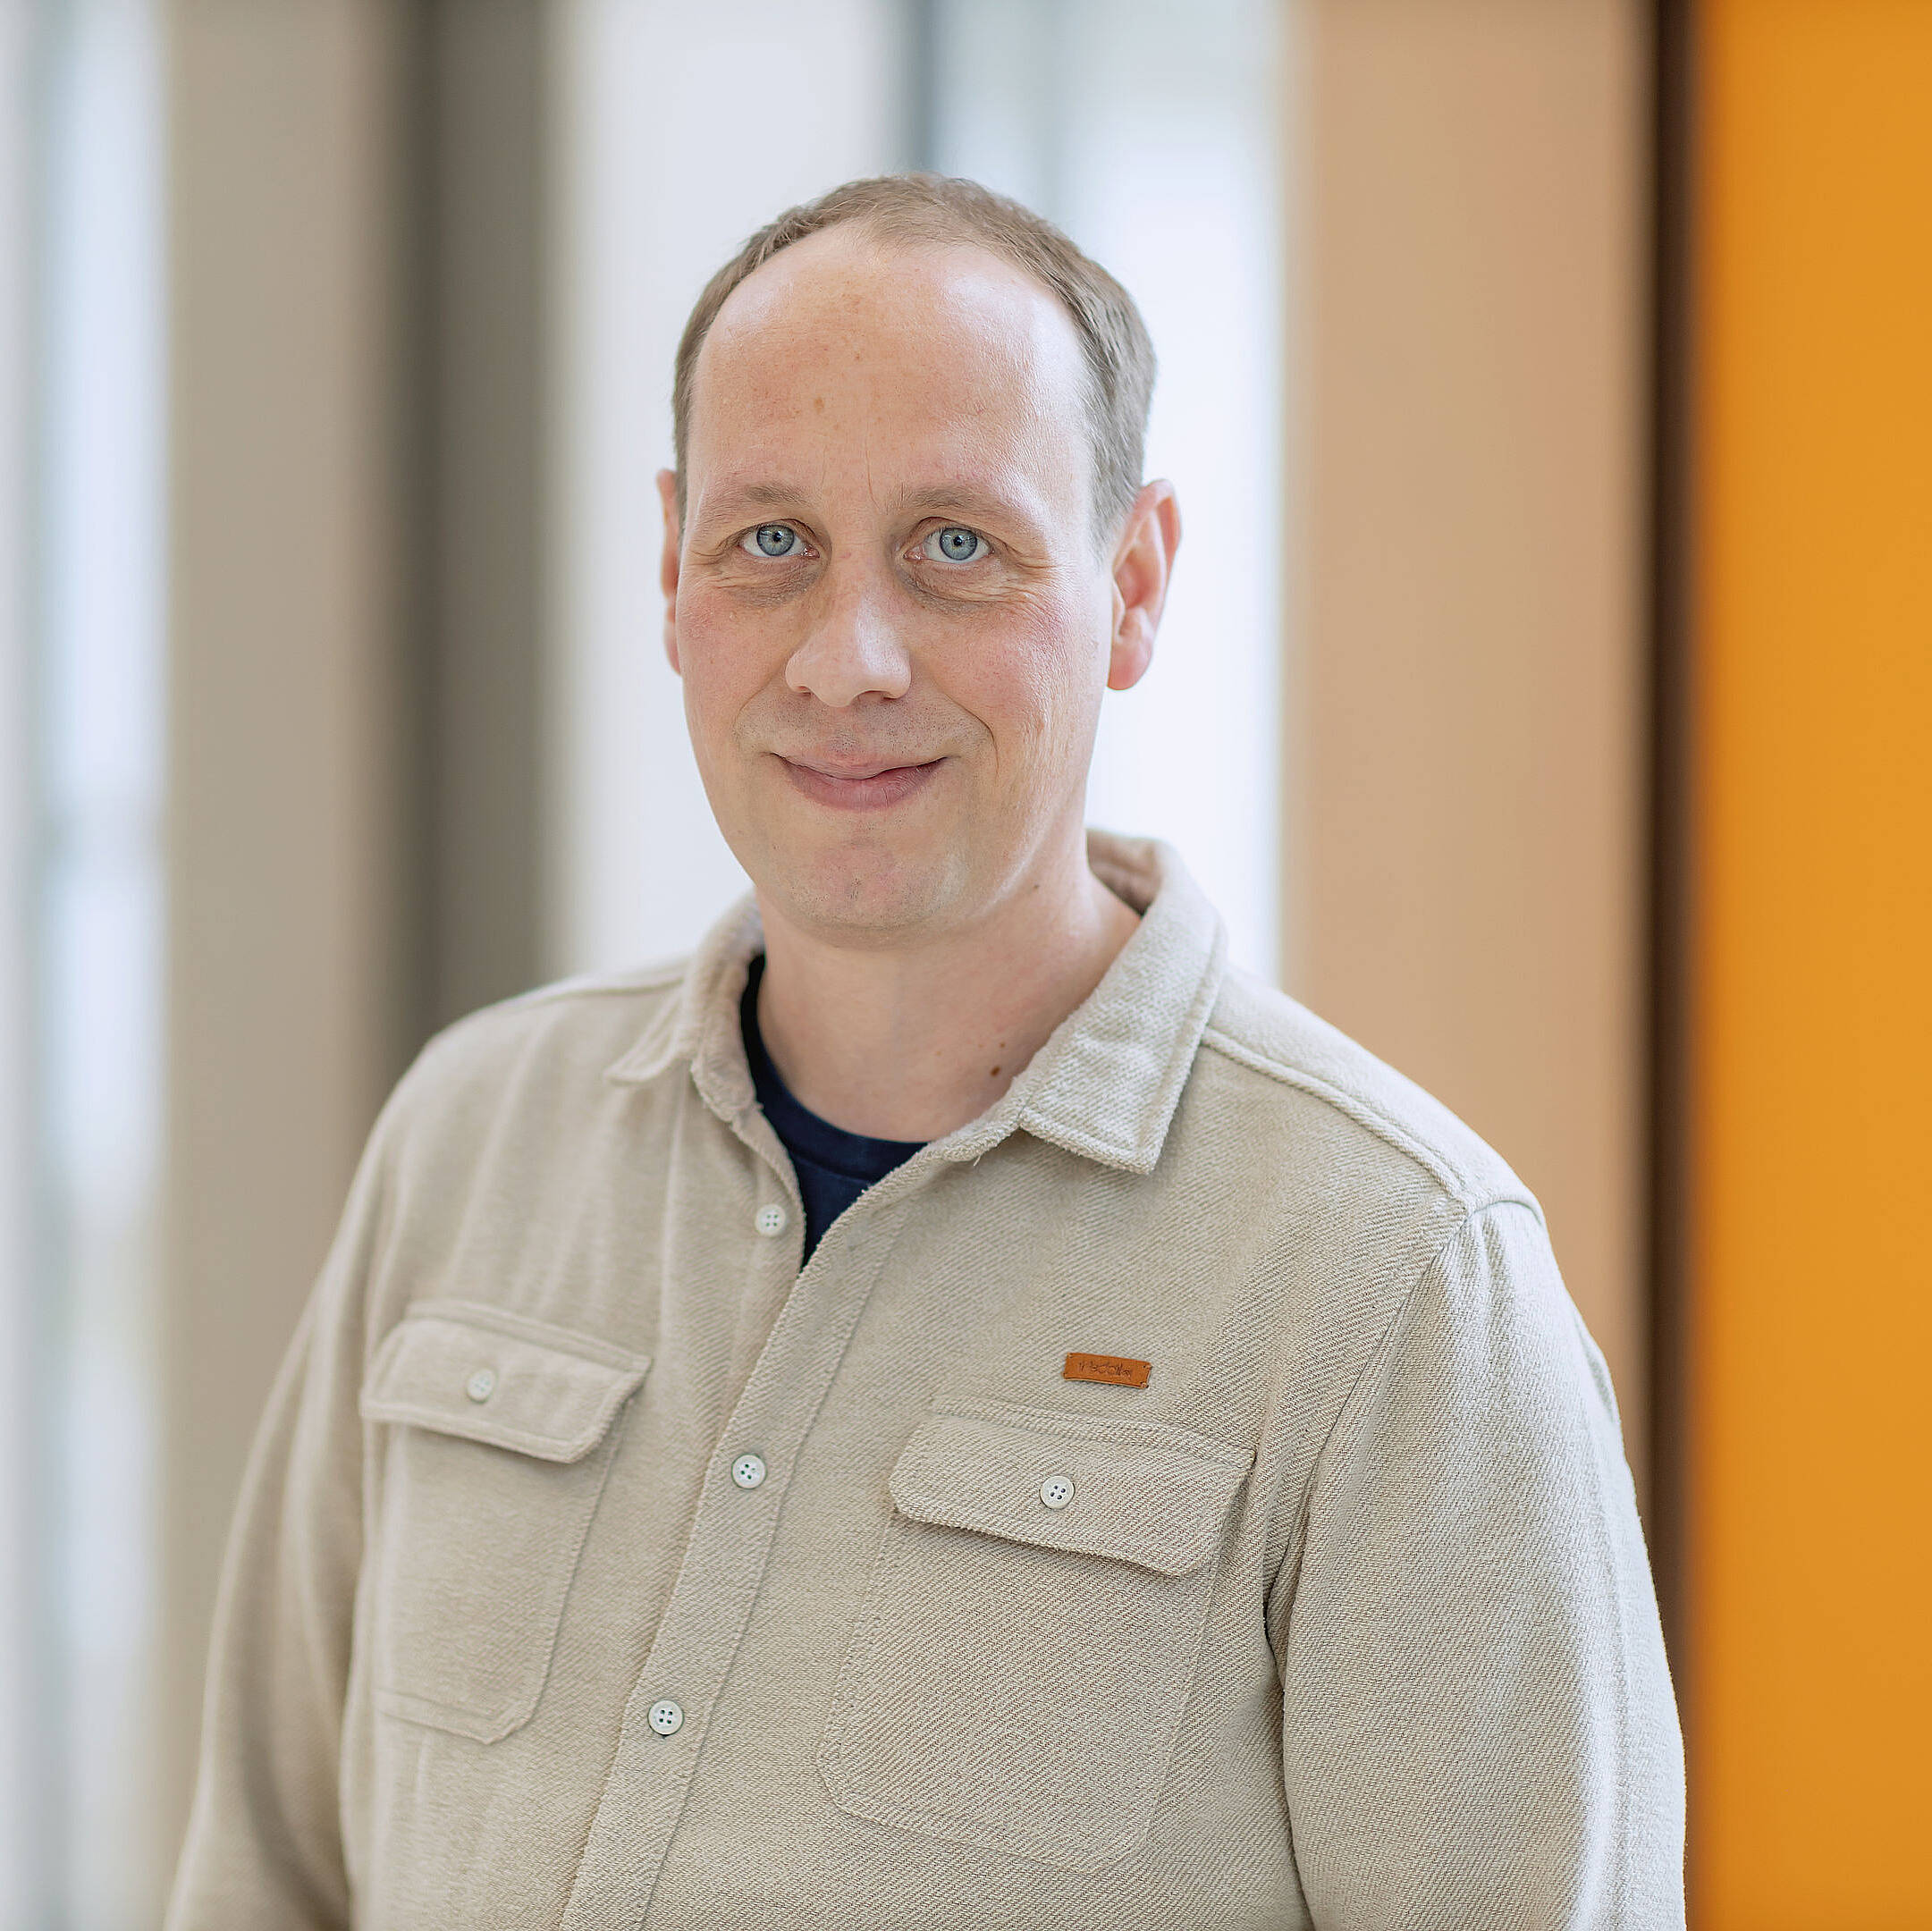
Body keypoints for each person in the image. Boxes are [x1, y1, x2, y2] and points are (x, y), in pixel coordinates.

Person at [166, 174, 1683, 1929]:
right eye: (771, 545)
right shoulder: (469, 1140)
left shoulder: (1397, 1286)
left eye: (957, 544)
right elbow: (265, 1869)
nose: (849, 659)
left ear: (1131, 585)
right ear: (671, 572)